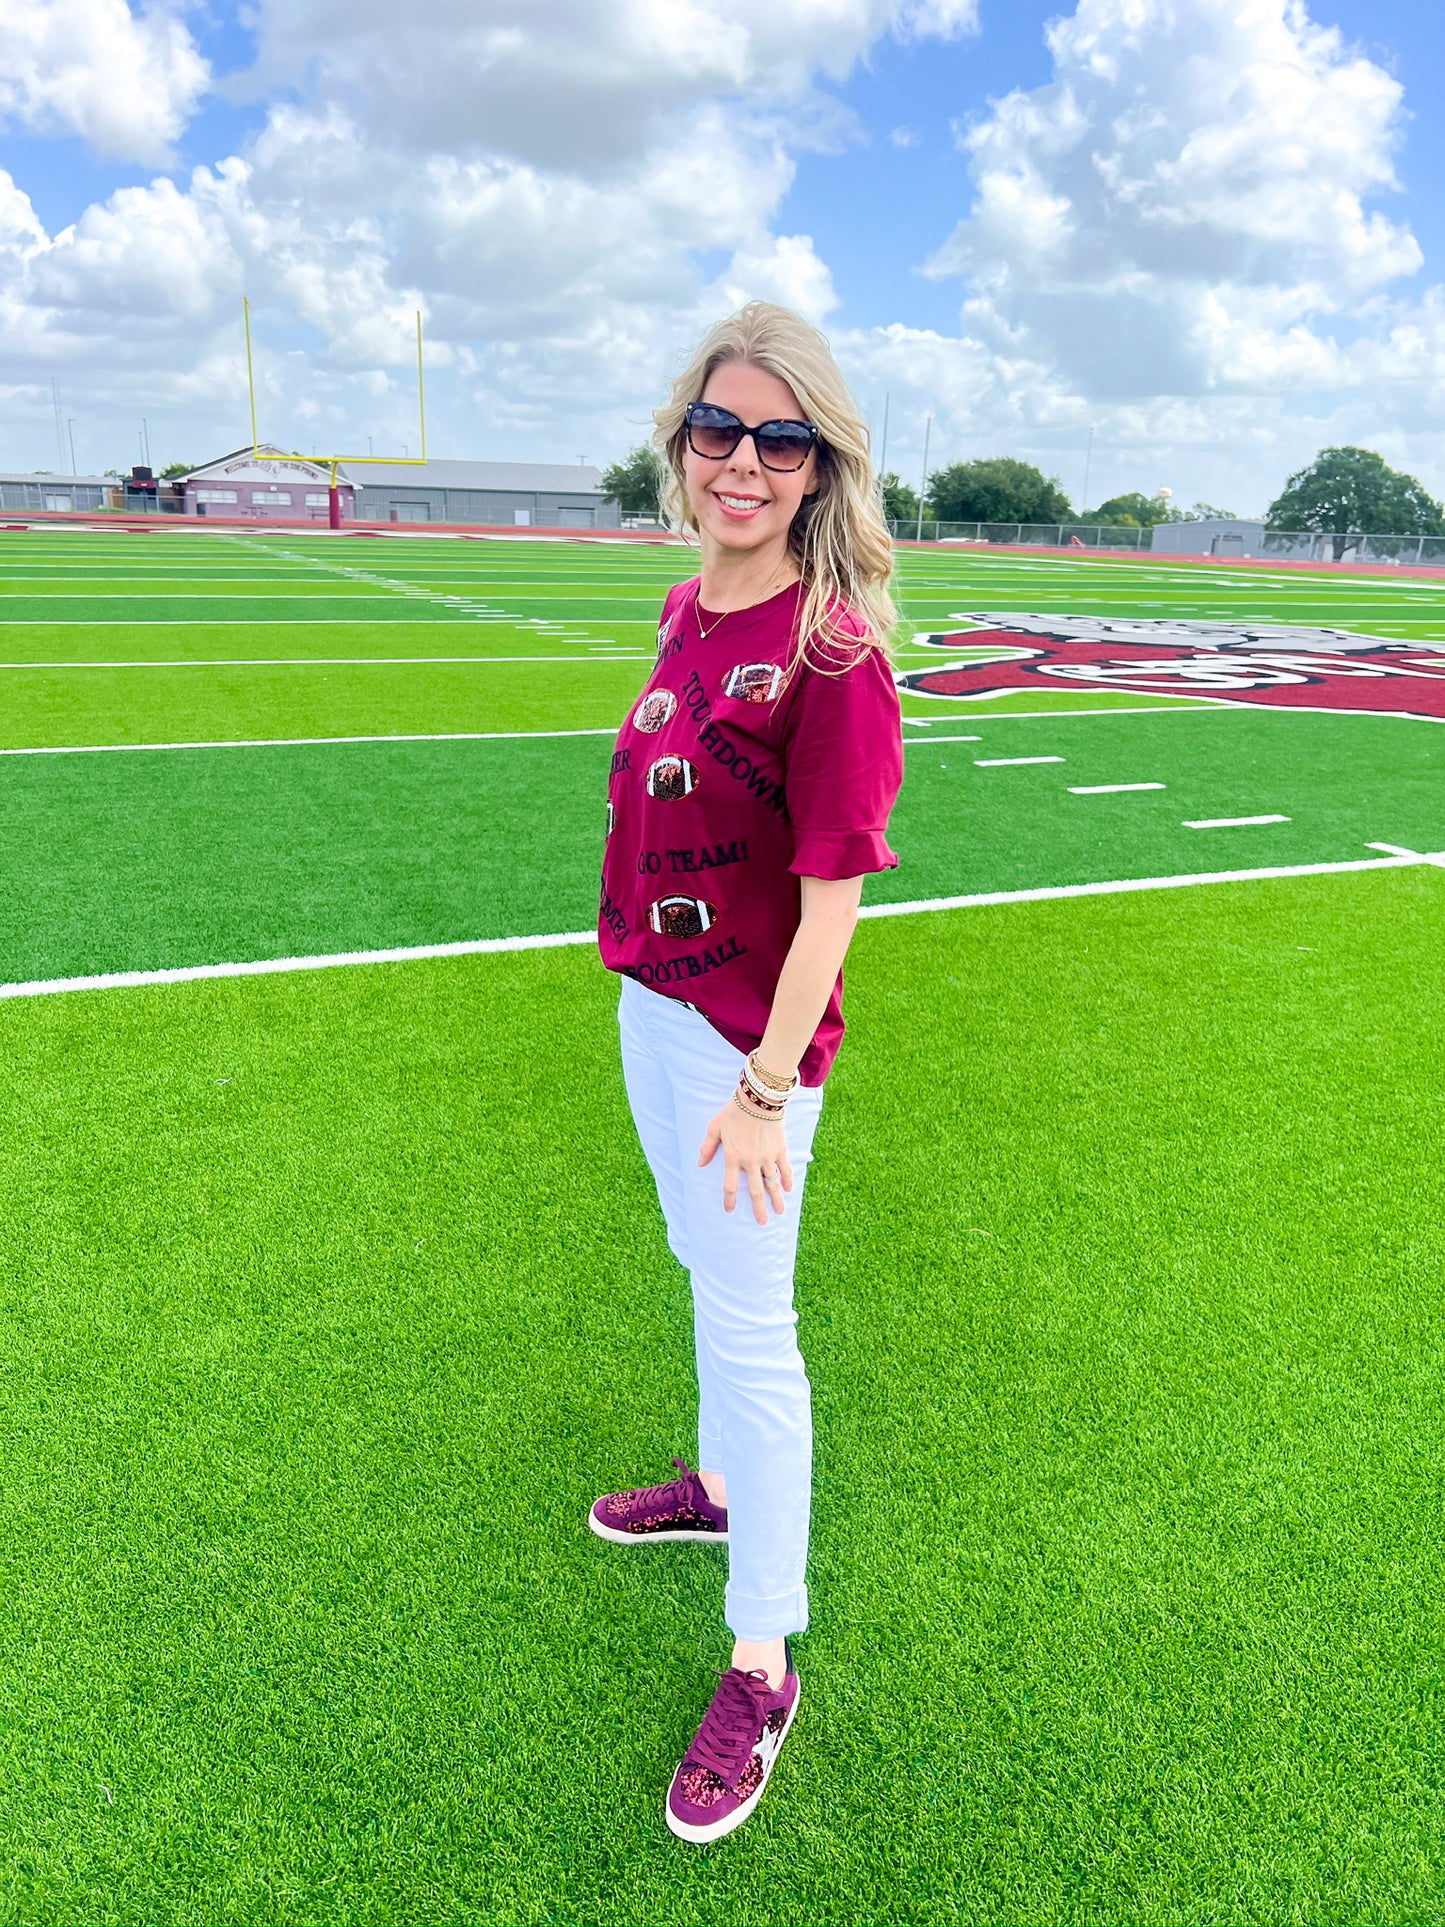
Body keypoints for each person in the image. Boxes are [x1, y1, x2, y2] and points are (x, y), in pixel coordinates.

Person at [592, 301, 904, 1843]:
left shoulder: (829, 650)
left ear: (816, 466)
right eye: (719, 430)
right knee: (695, 1266)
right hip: (654, 1007)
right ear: (681, 443)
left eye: (779, 441)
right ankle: (712, 1488)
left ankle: (761, 1656)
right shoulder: (682, 610)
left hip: (742, 1049)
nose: (743, 462)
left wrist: (768, 1082)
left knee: (753, 1325)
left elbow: (837, 892)